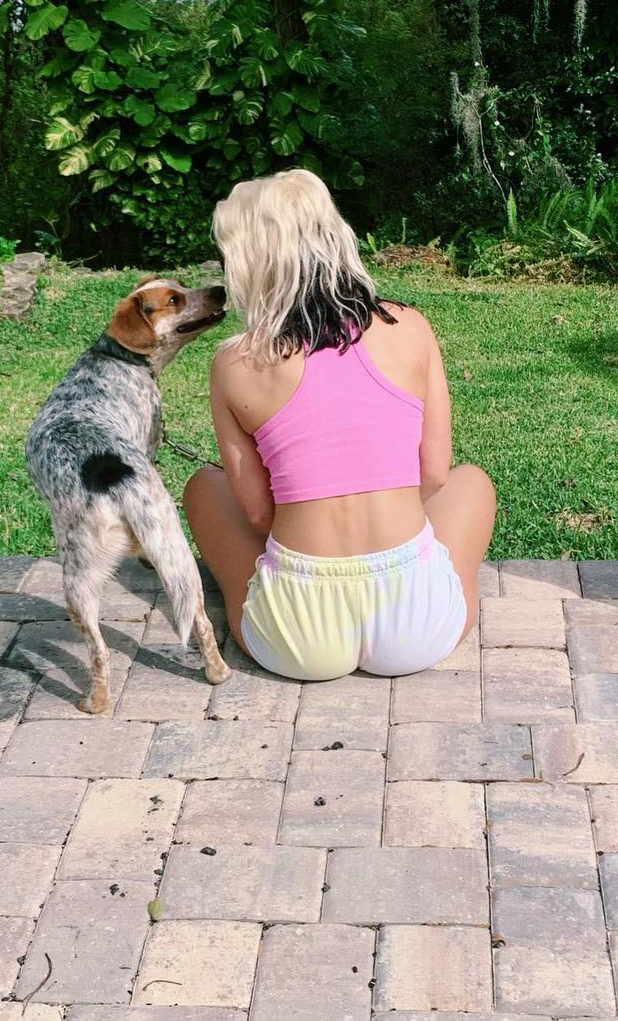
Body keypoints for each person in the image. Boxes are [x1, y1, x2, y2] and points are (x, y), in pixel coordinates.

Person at [183, 168, 496, 682]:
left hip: (297, 635)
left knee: (203, 487)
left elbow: (260, 515)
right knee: (472, 482)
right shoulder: (410, 327)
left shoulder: (236, 362)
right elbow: (434, 474)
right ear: (336, 237)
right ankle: (425, 584)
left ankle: (253, 594)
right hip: (416, 623)